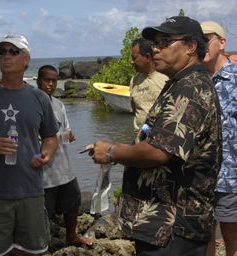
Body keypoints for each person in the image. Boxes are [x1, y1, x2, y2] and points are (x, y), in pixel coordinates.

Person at [88, 16, 222, 255]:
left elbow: (159, 152)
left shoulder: (191, 88)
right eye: (156, 42)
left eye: (165, 41)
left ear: (191, 47)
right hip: (162, 225)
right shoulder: (180, 83)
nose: (156, 49)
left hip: (173, 227)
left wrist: (111, 152)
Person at [0, 34, 59, 256]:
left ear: (26, 60)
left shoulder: (39, 98)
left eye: (13, 51)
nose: (6, 56)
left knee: (33, 252)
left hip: (31, 192)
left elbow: (50, 136)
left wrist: (46, 154)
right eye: (2, 52)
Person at [36, 65, 92, 246]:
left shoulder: (59, 105)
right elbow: (35, 138)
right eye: (47, 80)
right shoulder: (33, 105)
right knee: (44, 211)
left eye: (54, 80)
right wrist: (59, 136)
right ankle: (40, 245)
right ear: (38, 81)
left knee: (73, 199)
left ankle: (71, 235)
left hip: (64, 167)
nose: (51, 84)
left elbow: (65, 131)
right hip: (44, 172)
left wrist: (69, 135)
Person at [201, 21, 237, 256]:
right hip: (199, 175)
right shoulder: (195, 81)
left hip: (230, 175)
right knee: (203, 235)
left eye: (206, 39)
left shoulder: (235, 79)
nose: (200, 45)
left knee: (231, 236)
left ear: (222, 42)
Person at [130, 38, 168, 141]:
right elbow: (135, 111)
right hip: (139, 140)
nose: (131, 62)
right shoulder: (134, 80)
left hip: (159, 140)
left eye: (134, 58)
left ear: (147, 57)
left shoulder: (166, 77)